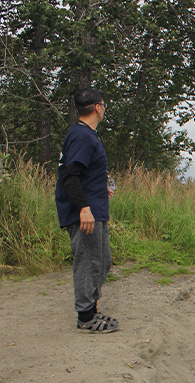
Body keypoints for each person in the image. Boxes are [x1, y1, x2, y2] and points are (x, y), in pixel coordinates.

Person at [55, 88, 119, 333]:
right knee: (88, 261)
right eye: (104, 105)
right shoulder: (82, 136)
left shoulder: (84, 135)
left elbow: (82, 172)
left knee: (102, 261)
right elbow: (70, 176)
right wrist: (83, 208)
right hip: (86, 212)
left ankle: (91, 308)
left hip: (95, 206)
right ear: (97, 108)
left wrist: (101, 186)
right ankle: (86, 317)